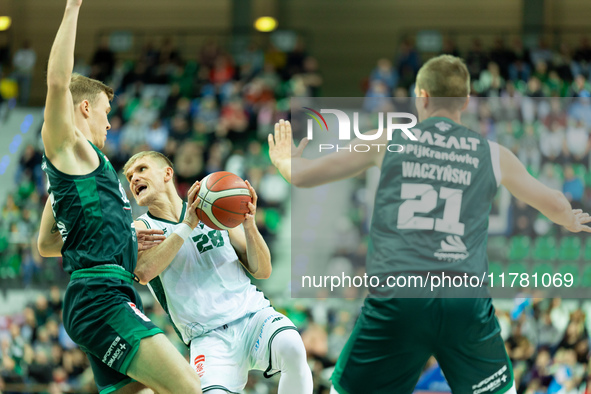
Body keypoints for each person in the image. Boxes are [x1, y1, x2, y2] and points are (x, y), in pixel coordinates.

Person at [268, 55, 591, 394]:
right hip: (463, 298)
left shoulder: (388, 138)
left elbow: (302, 176)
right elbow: (553, 203)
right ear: (465, 101)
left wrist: (286, 161)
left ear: (421, 97)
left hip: (398, 296)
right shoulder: (494, 154)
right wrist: (569, 218)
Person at [36, 1, 202, 393]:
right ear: (86, 107)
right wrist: (73, 7)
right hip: (100, 297)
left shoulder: (76, 171)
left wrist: (121, 238)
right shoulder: (70, 147)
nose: (110, 122)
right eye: (106, 111)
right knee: (189, 387)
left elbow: (46, 244)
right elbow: (58, 83)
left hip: (106, 292)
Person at [121, 151, 313, 394]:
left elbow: (263, 270)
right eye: (129, 176)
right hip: (208, 338)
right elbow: (144, 272)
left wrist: (249, 224)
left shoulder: (213, 212)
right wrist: (186, 226)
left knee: (292, 346)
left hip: (252, 316)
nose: (134, 178)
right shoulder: (142, 228)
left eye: (141, 169)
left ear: (167, 173)